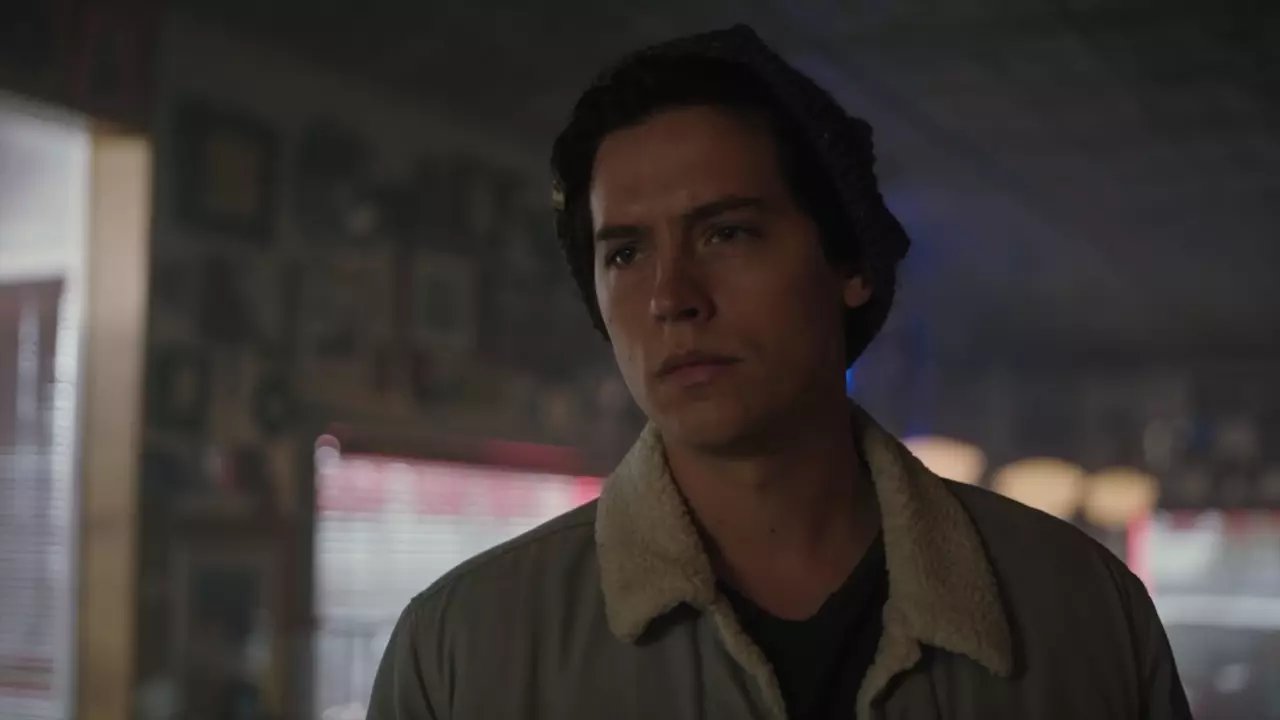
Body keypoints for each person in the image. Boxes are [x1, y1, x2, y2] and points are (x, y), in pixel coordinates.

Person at [369, 24, 1192, 719]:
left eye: (726, 233)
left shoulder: (1080, 612)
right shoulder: (463, 649)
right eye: (625, 253)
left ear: (848, 263)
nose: (672, 297)